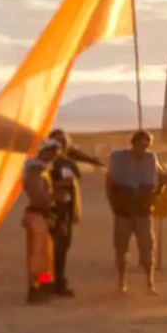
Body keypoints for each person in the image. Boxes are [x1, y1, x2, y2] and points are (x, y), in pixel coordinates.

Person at [47, 129, 104, 298]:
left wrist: (94, 161)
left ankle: (55, 283)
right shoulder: (51, 163)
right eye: (57, 142)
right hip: (54, 211)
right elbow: (60, 182)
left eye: (64, 141)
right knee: (51, 251)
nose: (61, 145)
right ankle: (51, 284)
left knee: (61, 249)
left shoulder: (63, 161)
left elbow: (76, 155)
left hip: (66, 211)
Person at [106, 130, 164, 295]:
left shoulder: (150, 159)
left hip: (143, 210)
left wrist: (157, 195)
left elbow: (162, 176)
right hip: (123, 209)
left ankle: (150, 283)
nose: (144, 149)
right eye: (141, 145)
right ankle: (121, 283)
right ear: (134, 143)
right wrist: (113, 202)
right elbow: (109, 180)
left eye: (147, 145)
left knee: (147, 248)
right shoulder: (118, 158)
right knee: (121, 248)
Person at [22, 139, 62, 304]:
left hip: (42, 215)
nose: (53, 156)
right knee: (37, 255)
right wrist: (55, 198)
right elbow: (39, 197)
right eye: (52, 152)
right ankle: (35, 288)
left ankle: (44, 286)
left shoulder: (41, 170)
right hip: (37, 215)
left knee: (46, 255)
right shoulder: (35, 171)